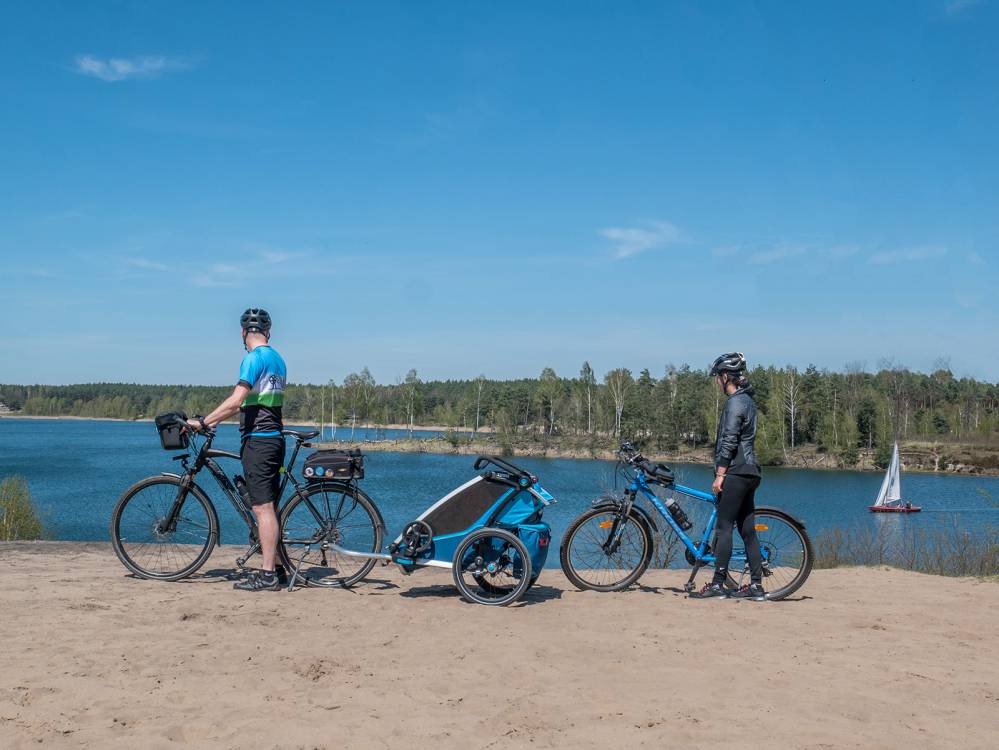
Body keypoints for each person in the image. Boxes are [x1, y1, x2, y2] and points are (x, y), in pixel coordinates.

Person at [186, 308, 288, 592]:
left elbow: (237, 400)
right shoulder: (277, 358)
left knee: (263, 508)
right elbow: (252, 402)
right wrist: (216, 420)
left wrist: (205, 421)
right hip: (273, 439)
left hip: (260, 440)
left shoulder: (253, 359)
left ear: (244, 333)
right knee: (270, 506)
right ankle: (277, 566)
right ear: (268, 332)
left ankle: (267, 575)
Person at [690, 352, 766, 601]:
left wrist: (720, 474)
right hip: (751, 471)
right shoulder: (748, 401)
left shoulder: (735, 402)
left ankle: (718, 584)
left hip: (736, 471)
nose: (716, 382)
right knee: (747, 530)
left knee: (724, 528)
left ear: (725, 377)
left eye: (717, 378)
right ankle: (756, 586)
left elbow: (730, 440)